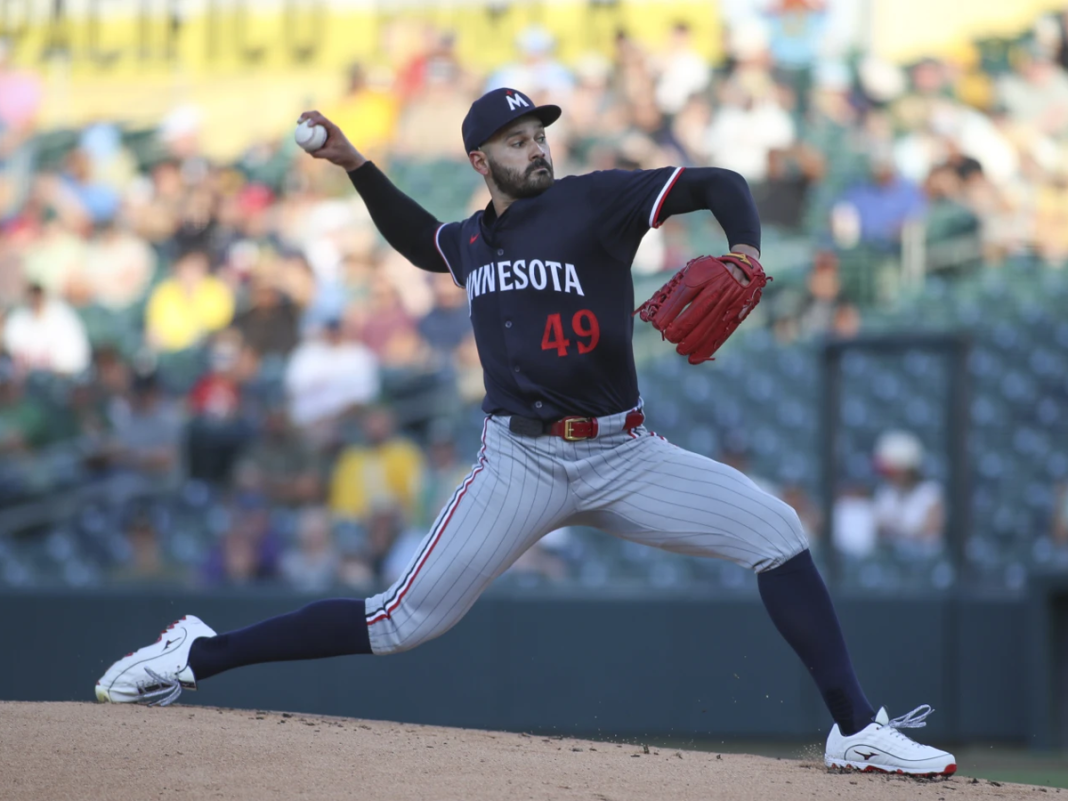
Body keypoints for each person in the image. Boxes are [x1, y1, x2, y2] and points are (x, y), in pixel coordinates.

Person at [96, 87, 954, 777]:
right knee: (400, 621)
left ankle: (855, 729)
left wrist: (745, 250)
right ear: (481, 160)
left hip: (623, 452)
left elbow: (718, 182)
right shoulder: (472, 239)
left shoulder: (594, 201)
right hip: (520, 462)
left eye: (539, 133)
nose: (536, 147)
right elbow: (419, 240)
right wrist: (356, 163)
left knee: (779, 532)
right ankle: (198, 653)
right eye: (516, 140)